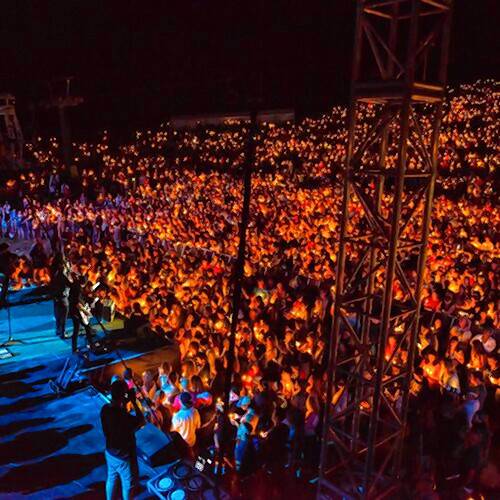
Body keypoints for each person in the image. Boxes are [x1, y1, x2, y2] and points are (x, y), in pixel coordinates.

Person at [100, 379, 145, 500]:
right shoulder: (124, 417)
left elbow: (119, 411)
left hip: (110, 452)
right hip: (124, 456)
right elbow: (141, 421)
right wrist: (134, 402)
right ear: (123, 395)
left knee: (111, 478)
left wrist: (125, 401)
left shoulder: (105, 409)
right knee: (128, 485)